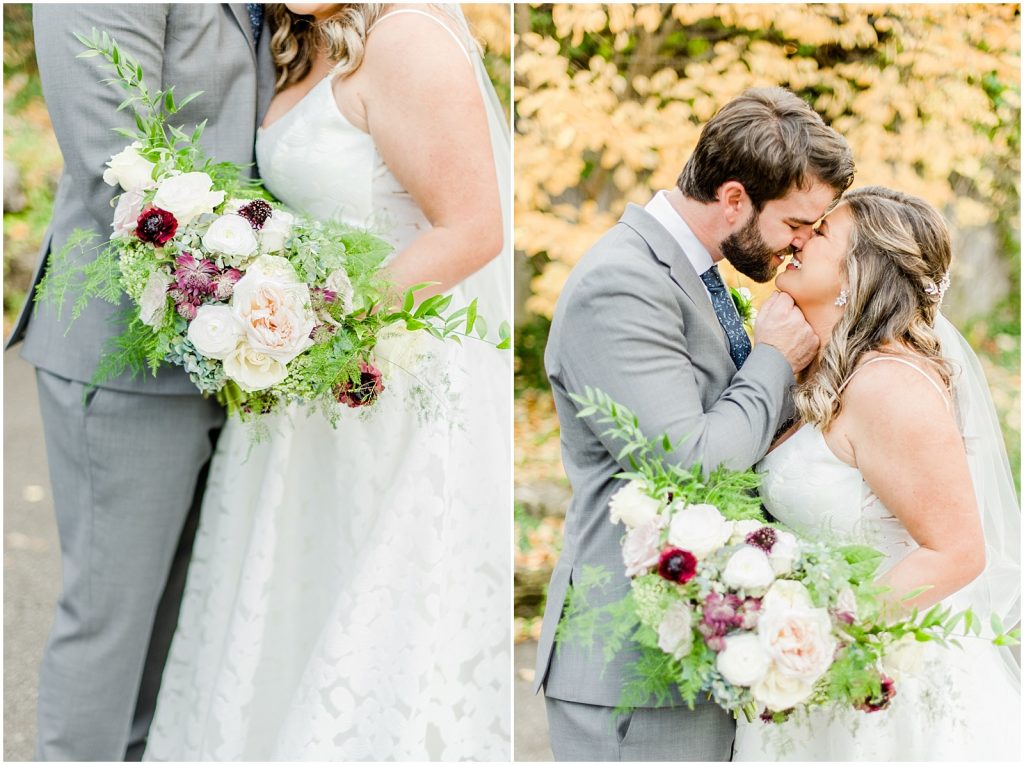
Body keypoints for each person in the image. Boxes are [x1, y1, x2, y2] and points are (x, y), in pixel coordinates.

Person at [142, 4, 512, 760]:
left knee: (372, 626)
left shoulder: (409, 39)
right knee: (285, 613)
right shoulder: (299, 43)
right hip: (300, 391)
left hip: (385, 394)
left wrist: (316, 321)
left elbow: (473, 227)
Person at [534, 86, 855, 761]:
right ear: (734, 199)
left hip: (688, 652)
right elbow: (695, 462)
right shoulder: (622, 283)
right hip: (630, 672)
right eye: (797, 222)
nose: (802, 243)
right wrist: (771, 358)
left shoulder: (693, 275)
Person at [6, 5, 275, 760]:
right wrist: (265, 296)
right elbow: (120, 173)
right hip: (125, 354)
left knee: (181, 635)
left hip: (234, 351)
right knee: (111, 624)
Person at [733, 186, 1021, 761]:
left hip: (887, 685)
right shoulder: (826, 373)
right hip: (819, 671)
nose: (801, 237)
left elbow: (958, 551)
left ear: (859, 274)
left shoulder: (888, 383)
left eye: (822, 232)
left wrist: (820, 637)